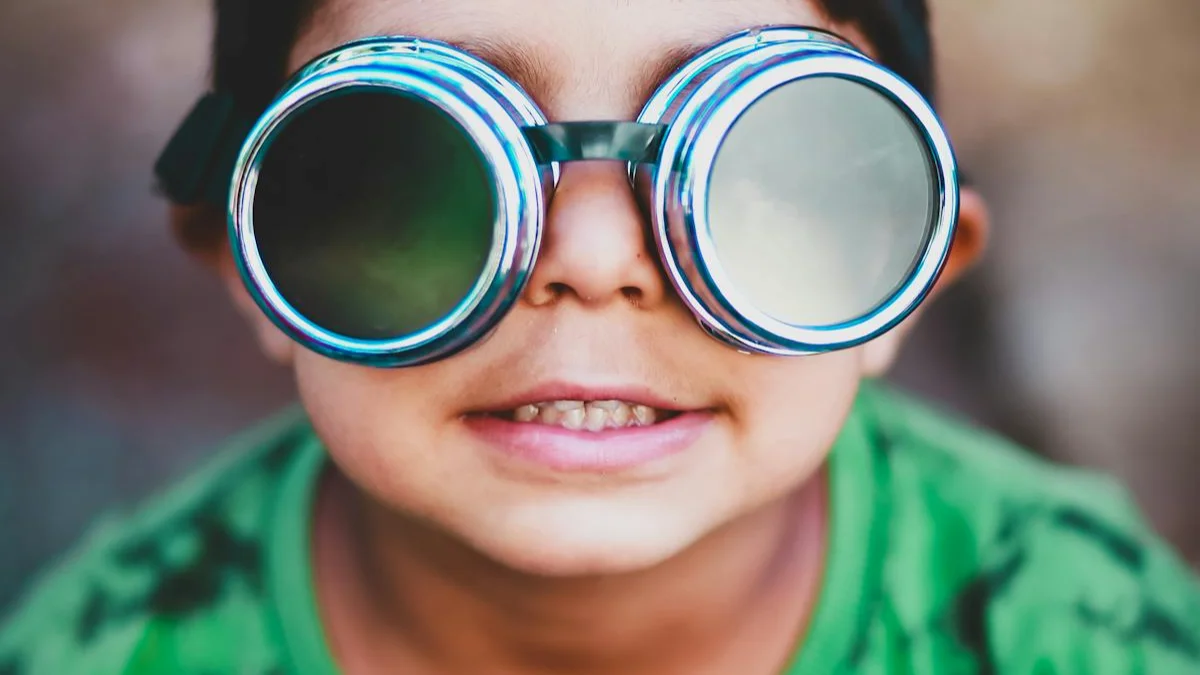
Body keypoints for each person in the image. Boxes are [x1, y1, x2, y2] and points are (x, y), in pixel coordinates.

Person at [2, 0, 1198, 673]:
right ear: (251, 270)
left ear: (915, 279)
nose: (590, 258)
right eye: (414, 161)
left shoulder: (1071, 632)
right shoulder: (110, 652)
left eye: (759, 163)